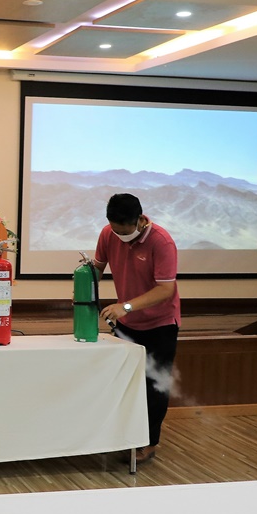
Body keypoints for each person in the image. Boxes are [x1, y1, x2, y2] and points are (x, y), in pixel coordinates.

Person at [91, 193, 180, 464]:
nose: (119, 237)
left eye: (124, 231)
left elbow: (165, 290)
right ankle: (121, 436)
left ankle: (148, 443)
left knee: (154, 385)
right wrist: (83, 290)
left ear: (140, 220)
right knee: (123, 382)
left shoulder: (161, 242)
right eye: (115, 231)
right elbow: (97, 268)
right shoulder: (108, 234)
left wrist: (126, 306)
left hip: (160, 325)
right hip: (127, 325)